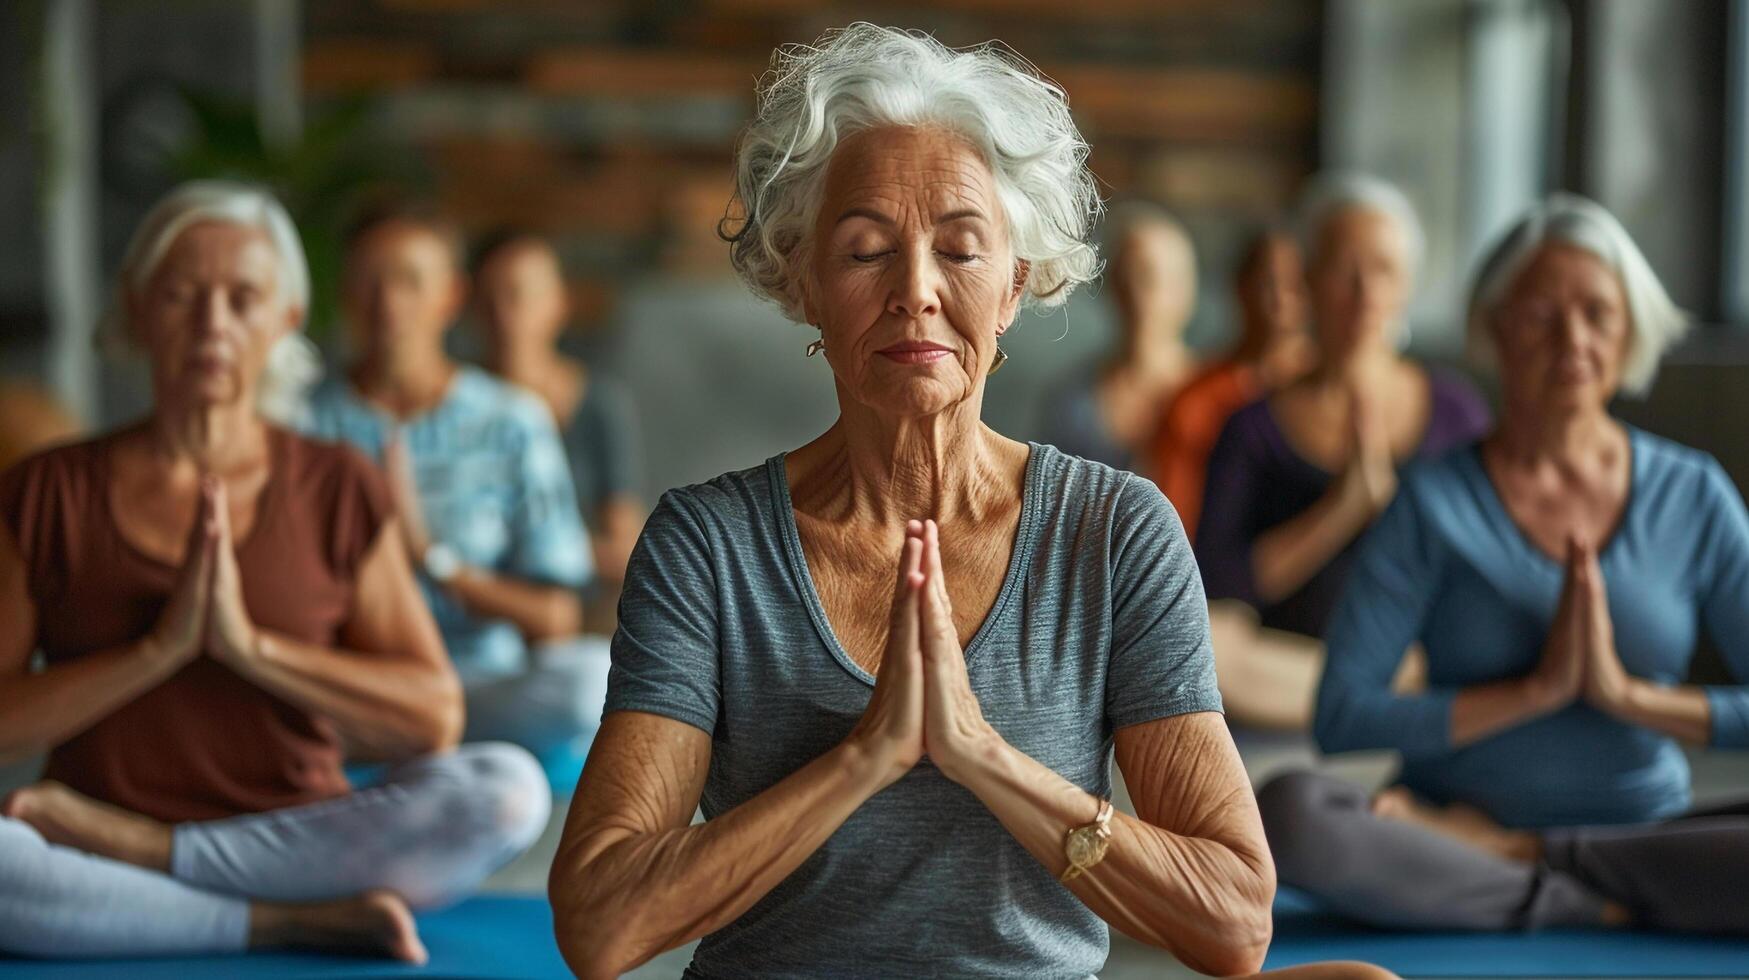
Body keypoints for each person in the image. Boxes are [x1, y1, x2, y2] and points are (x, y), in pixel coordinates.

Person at [549, 24, 1390, 980]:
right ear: (806, 282)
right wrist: (863, 758)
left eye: (960, 249)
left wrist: (982, 755)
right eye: (866, 251)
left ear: (1014, 286)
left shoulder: (1113, 528)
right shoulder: (708, 544)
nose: (915, 291)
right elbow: (601, 924)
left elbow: (1234, 922)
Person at [0, 181, 549, 962]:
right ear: (136, 307)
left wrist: (247, 647)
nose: (212, 326)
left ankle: (158, 865)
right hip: (92, 834)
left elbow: (430, 716)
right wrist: (157, 651)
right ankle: (281, 921)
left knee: (506, 790)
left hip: (290, 839)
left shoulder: (334, 483)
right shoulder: (46, 490)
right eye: (182, 294)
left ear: (286, 317)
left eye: (243, 298)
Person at [1258, 194, 1749, 935]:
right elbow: (1341, 716)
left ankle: (1525, 860)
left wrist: (1624, 697)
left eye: (1596, 314)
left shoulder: (1693, 492)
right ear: (1493, 327)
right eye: (1541, 315)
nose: (1572, 340)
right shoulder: (1432, 502)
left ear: (1629, 332)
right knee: (1290, 813)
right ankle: (1590, 900)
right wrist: (1536, 691)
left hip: (1640, 835)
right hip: (1445, 831)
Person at [306, 200, 605, 765]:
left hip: (480, 682)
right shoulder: (304, 423)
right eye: (370, 282)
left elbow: (557, 617)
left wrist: (429, 557)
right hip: (359, 686)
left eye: (410, 281)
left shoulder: (512, 420)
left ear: (450, 296)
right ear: (345, 293)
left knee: (592, 681)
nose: (389, 304)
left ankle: (419, 740)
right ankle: (410, 739)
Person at [1195, 174, 1490, 730]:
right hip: (1286, 663)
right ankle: (1365, 699)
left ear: (1407, 285)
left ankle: (1372, 694)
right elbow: (1219, 582)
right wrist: (1342, 510)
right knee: (1202, 644)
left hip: (1418, 656)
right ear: (1306, 279)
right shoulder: (1251, 426)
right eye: (1342, 270)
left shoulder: (1455, 412)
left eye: (1383, 271)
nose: (1364, 292)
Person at [471, 229, 645, 593]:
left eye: (519, 296)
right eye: (489, 297)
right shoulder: (459, 405)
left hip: (573, 614)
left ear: (559, 303)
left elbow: (625, 551)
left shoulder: (598, 405)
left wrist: (542, 548)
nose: (504, 315)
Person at [1149, 230, 1310, 539]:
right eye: (1266, 282)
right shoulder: (1195, 399)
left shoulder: (1327, 394)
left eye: (1293, 285)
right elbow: (1175, 517)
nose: (1278, 300)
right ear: (1239, 287)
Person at [1037, 203, 1199, 469]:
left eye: (1150, 277)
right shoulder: (1072, 402)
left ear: (1186, 290)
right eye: (1126, 276)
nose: (1138, 294)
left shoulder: (1218, 400)